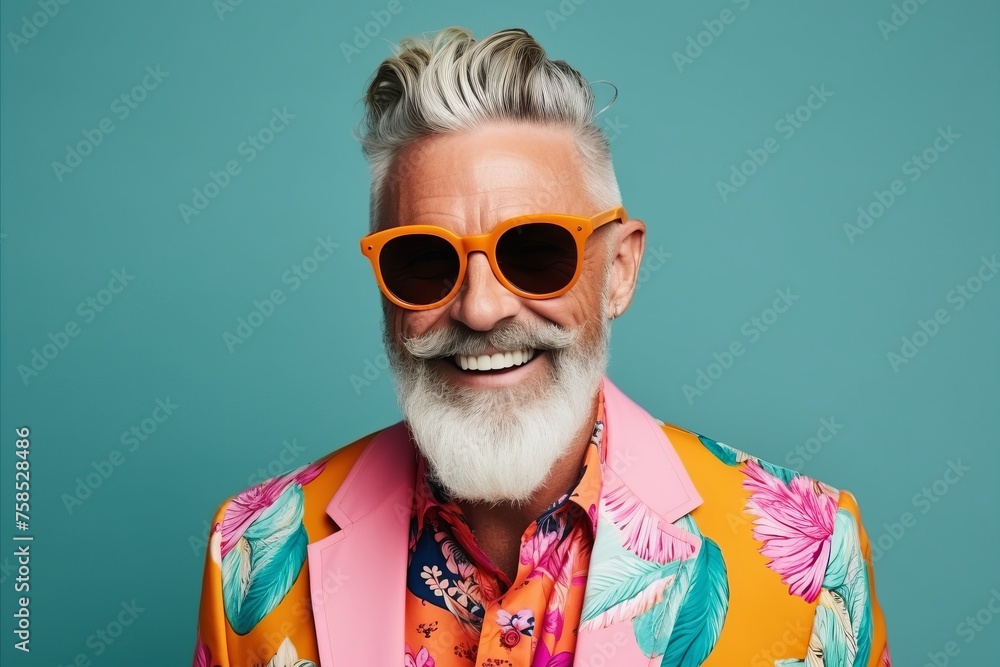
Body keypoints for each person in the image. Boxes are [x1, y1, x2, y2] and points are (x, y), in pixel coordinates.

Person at [192, 26, 891, 667]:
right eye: (424, 260)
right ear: (382, 285)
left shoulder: (812, 560)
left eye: (534, 251)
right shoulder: (250, 551)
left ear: (618, 269)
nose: (480, 307)